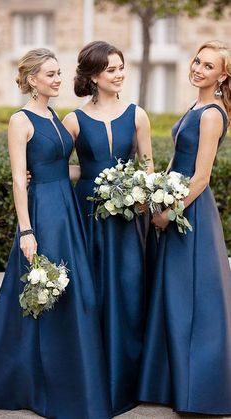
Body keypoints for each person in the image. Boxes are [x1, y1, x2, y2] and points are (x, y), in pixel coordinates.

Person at [0, 48, 111, 419]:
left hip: (67, 211)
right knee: (41, 294)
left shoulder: (54, 115)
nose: (59, 79)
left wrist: (105, 179)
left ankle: (70, 376)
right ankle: (27, 381)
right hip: (43, 215)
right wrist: (26, 230)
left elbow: (63, 169)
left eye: (59, 73)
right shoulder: (20, 120)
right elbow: (17, 177)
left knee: (75, 293)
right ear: (32, 80)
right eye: (51, 74)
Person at [63, 41, 157, 416]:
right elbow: (65, 167)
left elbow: (148, 168)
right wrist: (35, 172)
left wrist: (141, 197)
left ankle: (129, 378)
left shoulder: (138, 115)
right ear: (93, 76)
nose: (119, 74)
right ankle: (92, 375)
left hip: (128, 217)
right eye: (111, 70)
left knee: (129, 290)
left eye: (121, 67)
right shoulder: (73, 119)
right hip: (87, 213)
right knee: (93, 292)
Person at [138, 40, 231, 415]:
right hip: (175, 206)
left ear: (222, 76)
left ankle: (199, 392)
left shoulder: (211, 113)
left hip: (189, 214)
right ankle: (168, 382)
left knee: (192, 299)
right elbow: (178, 162)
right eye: (197, 60)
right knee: (172, 296)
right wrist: (150, 189)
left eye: (208, 66)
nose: (197, 68)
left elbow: (202, 177)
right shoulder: (195, 105)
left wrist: (166, 213)